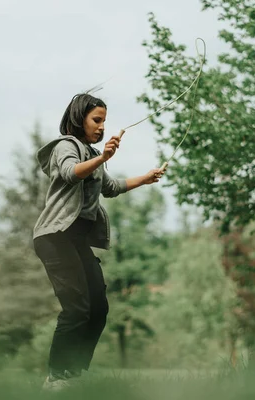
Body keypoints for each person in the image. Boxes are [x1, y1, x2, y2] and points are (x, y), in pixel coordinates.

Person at [33, 93, 166, 391]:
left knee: (98, 308)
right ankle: (56, 376)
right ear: (79, 118)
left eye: (104, 121)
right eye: (97, 120)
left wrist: (144, 178)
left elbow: (111, 187)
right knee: (77, 308)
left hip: (76, 240)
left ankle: (75, 375)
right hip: (55, 237)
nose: (102, 126)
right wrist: (102, 157)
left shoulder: (93, 154)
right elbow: (69, 174)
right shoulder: (66, 147)